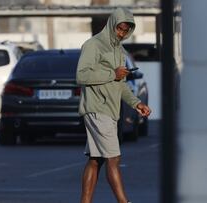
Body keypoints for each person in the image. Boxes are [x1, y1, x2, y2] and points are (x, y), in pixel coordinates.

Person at [76, 7, 151, 203]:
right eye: (120, 28)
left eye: (126, 30)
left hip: (110, 111)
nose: (122, 33)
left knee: (96, 159)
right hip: (97, 108)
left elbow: (121, 84)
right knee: (113, 158)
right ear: (112, 24)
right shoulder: (93, 45)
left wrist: (137, 104)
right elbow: (81, 75)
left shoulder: (119, 50)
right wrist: (112, 73)